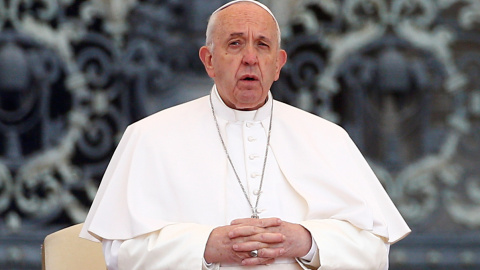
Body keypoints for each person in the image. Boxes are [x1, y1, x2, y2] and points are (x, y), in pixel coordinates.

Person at [80, 0, 411, 269]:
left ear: (278, 64)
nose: (250, 59)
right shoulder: (149, 136)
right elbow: (119, 254)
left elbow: (375, 253)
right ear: (209, 60)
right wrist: (206, 247)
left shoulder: (328, 138)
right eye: (235, 44)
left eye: (262, 45)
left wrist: (308, 242)